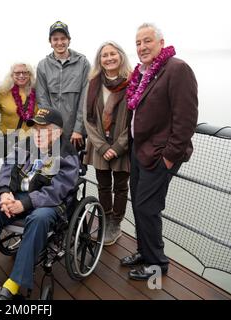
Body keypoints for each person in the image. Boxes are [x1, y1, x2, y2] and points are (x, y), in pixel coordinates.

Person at [0, 108, 80, 300]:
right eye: (35, 128)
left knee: (38, 218)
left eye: (44, 129)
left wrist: (25, 203)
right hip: (18, 196)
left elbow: (58, 190)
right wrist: (4, 193)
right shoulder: (25, 145)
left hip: (47, 204)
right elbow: (6, 170)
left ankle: (13, 284)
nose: (37, 133)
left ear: (58, 131)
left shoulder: (67, 154)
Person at [120, 23, 198, 280]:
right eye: (138, 43)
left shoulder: (177, 69)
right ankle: (144, 252)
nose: (142, 47)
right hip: (139, 150)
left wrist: (168, 157)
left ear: (161, 43)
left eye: (147, 41)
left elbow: (185, 120)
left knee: (147, 208)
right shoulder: (142, 72)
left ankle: (157, 265)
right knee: (139, 204)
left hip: (160, 155)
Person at [82, 42, 132, 246]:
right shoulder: (93, 83)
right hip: (99, 145)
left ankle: (115, 224)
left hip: (123, 145)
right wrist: (102, 147)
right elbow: (88, 118)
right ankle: (105, 218)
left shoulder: (132, 82)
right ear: (99, 60)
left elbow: (136, 120)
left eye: (113, 54)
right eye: (104, 55)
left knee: (120, 187)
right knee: (103, 186)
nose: (109, 58)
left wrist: (118, 147)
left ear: (120, 56)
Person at [36, 20, 90, 149]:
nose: (59, 42)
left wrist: (78, 129)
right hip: (51, 133)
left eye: (63, 38)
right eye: (55, 39)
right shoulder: (43, 65)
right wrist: (50, 129)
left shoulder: (83, 63)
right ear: (50, 42)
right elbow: (42, 100)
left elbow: (85, 99)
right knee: (50, 168)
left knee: (76, 167)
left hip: (75, 134)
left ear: (69, 40)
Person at [0, 62, 37, 157]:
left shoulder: (38, 92)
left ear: (30, 75)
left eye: (25, 72)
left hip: (30, 141)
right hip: (8, 141)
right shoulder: (2, 92)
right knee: (9, 170)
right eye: (17, 73)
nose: (21, 75)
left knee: (27, 170)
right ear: (12, 75)